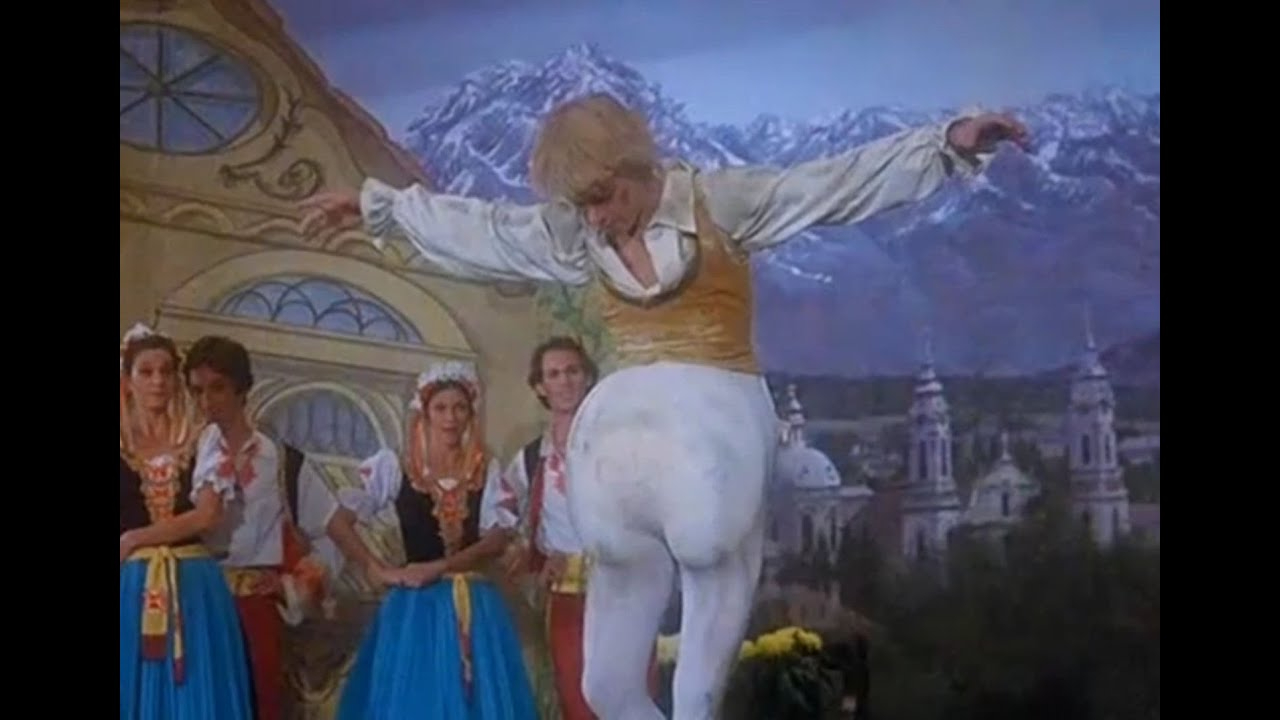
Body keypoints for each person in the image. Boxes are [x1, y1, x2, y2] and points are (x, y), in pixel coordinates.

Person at [300, 93, 1029, 719]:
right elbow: (484, 229)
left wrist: (946, 144)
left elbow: (830, 183)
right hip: (636, 430)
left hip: (720, 399)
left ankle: (702, 632)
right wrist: (377, 208)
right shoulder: (576, 233)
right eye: (582, 206)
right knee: (606, 688)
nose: (595, 220)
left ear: (638, 171)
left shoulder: (720, 203)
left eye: (604, 199)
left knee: (705, 592)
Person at [326, 360, 537, 719]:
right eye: (440, 408)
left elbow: (496, 539)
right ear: (425, 412)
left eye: (459, 408)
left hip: (473, 602)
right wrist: (378, 569)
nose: (450, 418)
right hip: (416, 608)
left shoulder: (485, 470)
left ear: (470, 413)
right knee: (417, 698)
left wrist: (440, 567)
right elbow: (338, 522)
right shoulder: (397, 466)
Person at [497, 336, 659, 719]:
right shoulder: (532, 457)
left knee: (633, 697)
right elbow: (500, 519)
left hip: (624, 591)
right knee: (577, 700)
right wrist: (534, 560)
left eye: (572, 371)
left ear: (587, 377)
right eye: (553, 374)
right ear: (540, 387)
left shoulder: (623, 447)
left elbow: (652, 511)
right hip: (567, 595)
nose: (565, 381)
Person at [184, 335, 339, 720]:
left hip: (256, 608)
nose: (206, 402)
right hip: (199, 600)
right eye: (197, 391)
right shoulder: (186, 458)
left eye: (217, 388)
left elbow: (332, 528)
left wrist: (293, 585)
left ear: (242, 389)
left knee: (259, 702)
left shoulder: (282, 462)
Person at [119, 323, 254, 720]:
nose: (158, 381)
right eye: (146, 372)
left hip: (192, 582)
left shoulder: (203, 439)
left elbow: (207, 514)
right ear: (128, 381)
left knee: (193, 687)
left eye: (166, 371)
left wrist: (134, 539)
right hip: (130, 585)